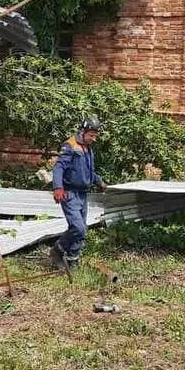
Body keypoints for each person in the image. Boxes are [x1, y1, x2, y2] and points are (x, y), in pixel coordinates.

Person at [50, 116, 107, 270]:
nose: (94, 139)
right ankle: (58, 249)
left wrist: (100, 182)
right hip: (69, 193)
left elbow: (89, 172)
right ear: (83, 131)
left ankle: (72, 259)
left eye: (96, 136)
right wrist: (58, 188)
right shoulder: (70, 145)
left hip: (83, 194)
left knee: (82, 230)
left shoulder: (88, 149)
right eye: (92, 135)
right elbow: (59, 168)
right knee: (78, 227)